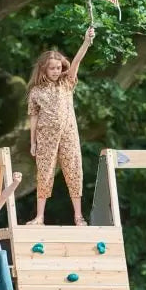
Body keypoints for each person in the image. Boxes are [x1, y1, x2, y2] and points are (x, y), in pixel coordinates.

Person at [25, 26, 96, 226]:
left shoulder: (66, 83)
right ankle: (40, 216)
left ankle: (78, 216)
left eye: (58, 67)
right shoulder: (36, 92)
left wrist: (86, 42)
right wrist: (33, 142)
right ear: (44, 69)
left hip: (68, 134)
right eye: (52, 68)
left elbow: (76, 62)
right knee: (44, 173)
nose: (56, 71)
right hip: (46, 137)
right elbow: (33, 118)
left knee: (74, 170)